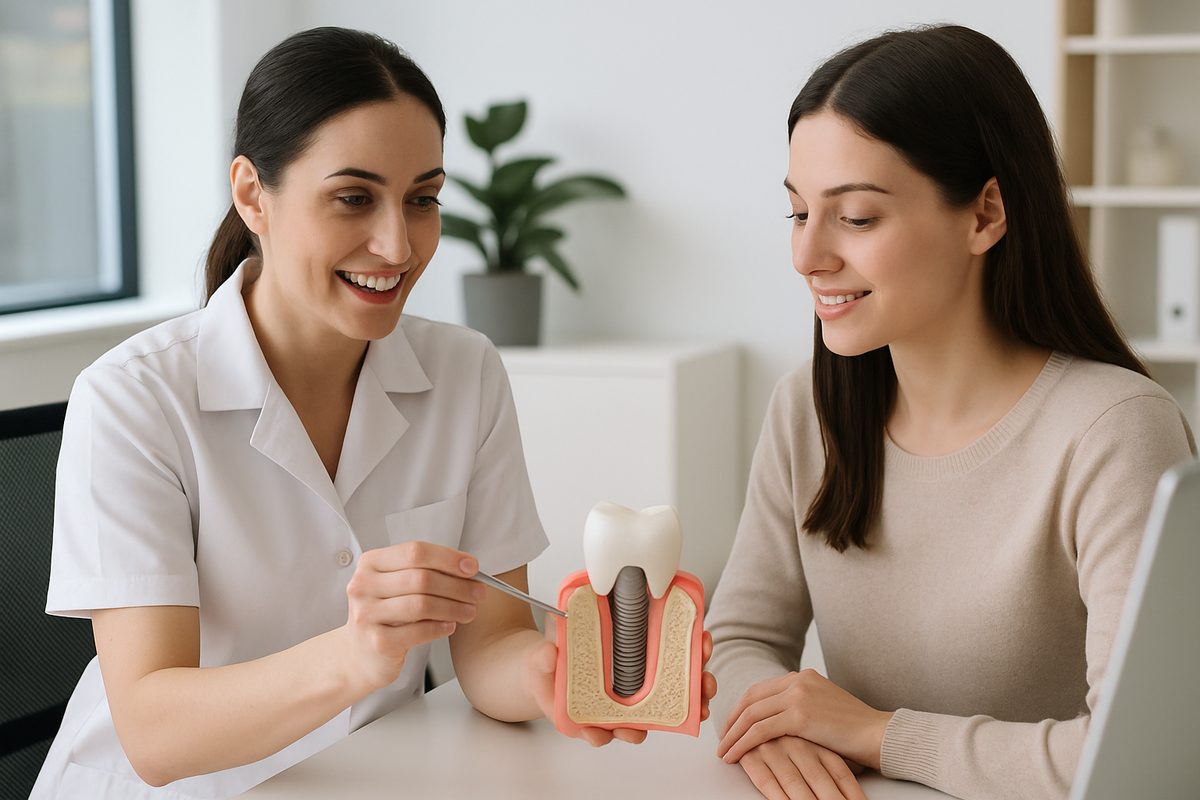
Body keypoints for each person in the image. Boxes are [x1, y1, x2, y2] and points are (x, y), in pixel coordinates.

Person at [33, 27, 714, 799]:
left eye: (422, 199)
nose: (398, 244)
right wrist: (357, 653)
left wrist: (547, 679)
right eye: (353, 198)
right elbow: (155, 734)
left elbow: (490, 642)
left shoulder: (466, 372)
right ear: (253, 193)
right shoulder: (132, 400)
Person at [706, 24, 1196, 800]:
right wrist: (771, 731)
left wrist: (874, 732)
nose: (807, 256)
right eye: (799, 214)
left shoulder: (1116, 431)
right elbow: (738, 641)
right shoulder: (809, 407)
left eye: (857, 217)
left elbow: (1137, 758)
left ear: (984, 215)